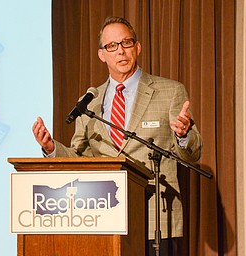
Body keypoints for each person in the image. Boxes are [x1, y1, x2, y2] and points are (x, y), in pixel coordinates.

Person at [33, 16, 202, 255]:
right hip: (104, 217)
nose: (120, 52)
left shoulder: (169, 91)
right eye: (112, 46)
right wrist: (52, 149)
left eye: (126, 43)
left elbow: (192, 154)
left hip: (154, 218)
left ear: (138, 47)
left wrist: (184, 135)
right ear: (102, 54)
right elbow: (78, 157)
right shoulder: (88, 103)